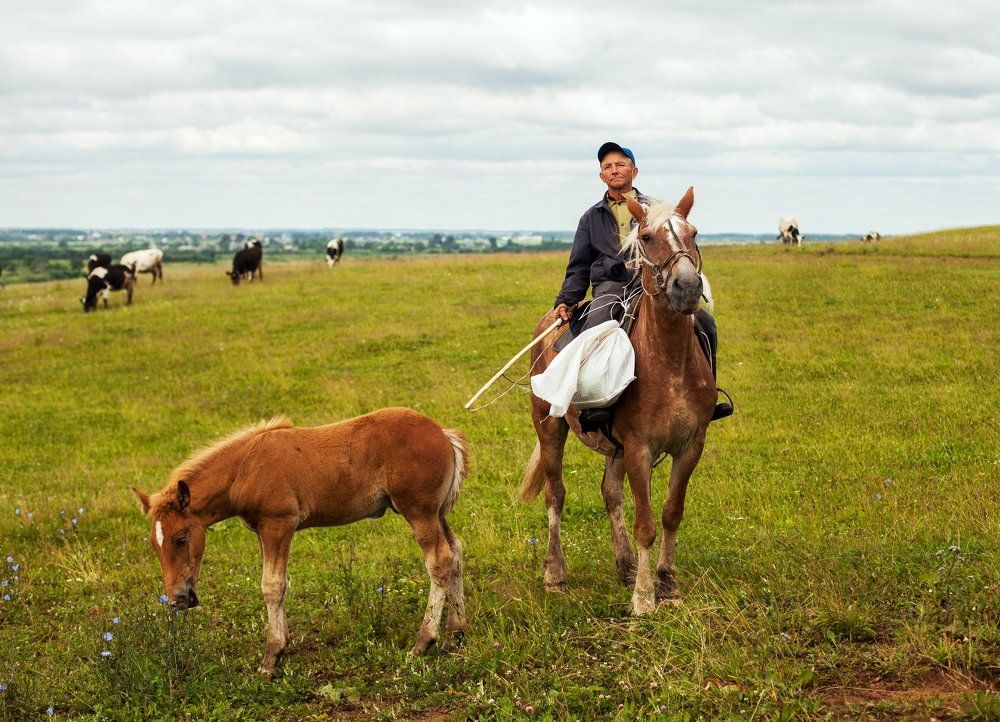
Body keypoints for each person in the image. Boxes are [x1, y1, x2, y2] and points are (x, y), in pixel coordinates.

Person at [553, 141, 732, 423]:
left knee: (705, 324)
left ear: (633, 171)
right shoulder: (591, 217)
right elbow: (579, 264)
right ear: (602, 176)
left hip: (650, 283)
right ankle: (596, 405)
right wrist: (566, 298)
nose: (614, 170)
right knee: (595, 327)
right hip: (610, 288)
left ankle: (707, 397)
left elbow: (675, 242)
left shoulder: (656, 210)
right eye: (607, 167)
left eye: (620, 164)